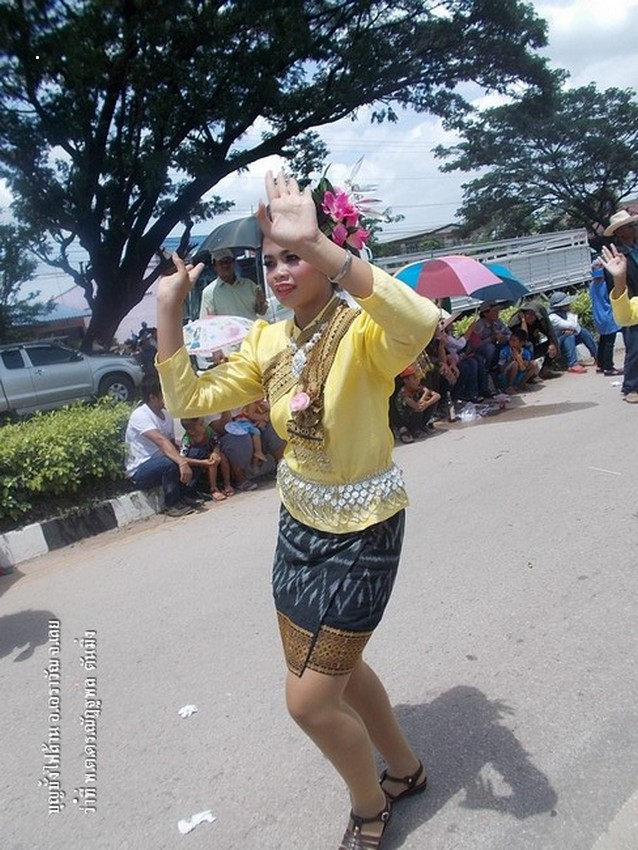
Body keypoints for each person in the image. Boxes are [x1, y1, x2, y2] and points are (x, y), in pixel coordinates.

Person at [155, 171, 439, 850]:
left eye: (294, 256)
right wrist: (168, 309)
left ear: (324, 251)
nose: (281, 270)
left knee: (308, 700)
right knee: (338, 668)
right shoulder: (266, 341)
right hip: (298, 528)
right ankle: (405, 768)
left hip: (365, 531)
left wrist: (317, 242)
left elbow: (420, 321)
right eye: (271, 260)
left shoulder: (365, 329)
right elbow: (189, 400)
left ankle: (370, 805)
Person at [124, 378, 198, 517]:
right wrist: (181, 462)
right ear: (152, 397)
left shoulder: (167, 415)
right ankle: (172, 505)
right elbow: (161, 441)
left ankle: (185, 495)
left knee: (195, 454)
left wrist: (185, 457)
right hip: (141, 469)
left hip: (162, 462)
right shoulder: (140, 415)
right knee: (171, 463)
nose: (167, 398)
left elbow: (171, 444)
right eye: (164, 394)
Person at [601, 210, 638, 402]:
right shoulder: (616, 256)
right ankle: (631, 386)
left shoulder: (635, 249)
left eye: (634, 225)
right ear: (619, 231)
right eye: (630, 226)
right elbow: (615, 285)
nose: (634, 229)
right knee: (635, 347)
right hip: (631, 305)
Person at [199, 248, 268, 321]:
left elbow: (262, 312)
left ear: (234, 263)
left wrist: (261, 303)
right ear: (215, 266)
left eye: (228, 261)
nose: (225, 265)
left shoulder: (250, 285)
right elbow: (207, 322)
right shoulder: (209, 293)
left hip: (251, 328)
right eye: (221, 263)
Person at [180, 417, 235, 501]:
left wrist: (215, 452)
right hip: (198, 460)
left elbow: (217, 442)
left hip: (210, 452)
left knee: (222, 457)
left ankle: (227, 484)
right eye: (201, 424)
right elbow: (182, 458)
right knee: (211, 462)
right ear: (192, 432)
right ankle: (214, 489)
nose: (204, 425)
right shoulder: (187, 440)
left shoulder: (208, 431)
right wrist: (202, 462)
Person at [508, 302, 561, 378]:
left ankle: (545, 369)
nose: (530, 316)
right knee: (529, 345)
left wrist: (552, 344)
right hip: (519, 352)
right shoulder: (516, 324)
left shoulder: (537, 322)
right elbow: (523, 339)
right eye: (527, 314)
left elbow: (549, 333)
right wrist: (523, 321)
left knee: (553, 343)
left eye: (533, 314)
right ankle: (528, 375)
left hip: (532, 351)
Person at [548, 291, 597, 373]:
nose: (569, 304)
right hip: (557, 344)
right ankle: (573, 364)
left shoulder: (566, 313)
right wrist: (571, 315)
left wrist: (570, 315)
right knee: (569, 335)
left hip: (567, 340)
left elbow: (578, 328)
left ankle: (598, 356)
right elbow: (572, 325)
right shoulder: (552, 317)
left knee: (583, 332)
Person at [391, 364, 441, 443]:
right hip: (408, 419)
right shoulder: (403, 393)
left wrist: (426, 401)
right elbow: (417, 407)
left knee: (431, 400)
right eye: (414, 378)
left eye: (418, 377)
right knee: (417, 409)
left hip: (418, 413)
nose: (418, 380)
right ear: (406, 381)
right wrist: (424, 401)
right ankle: (414, 430)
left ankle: (422, 425)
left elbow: (437, 396)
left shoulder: (418, 388)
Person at [589, 258, 622, 376]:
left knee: (603, 340)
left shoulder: (592, 285)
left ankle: (601, 364)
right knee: (609, 343)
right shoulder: (606, 284)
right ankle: (608, 367)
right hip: (608, 316)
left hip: (598, 317)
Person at [470, 301, 511, 370]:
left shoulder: (498, 321)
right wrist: (491, 339)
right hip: (483, 350)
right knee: (490, 348)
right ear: (485, 313)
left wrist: (505, 338)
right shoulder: (479, 325)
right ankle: (487, 369)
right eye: (494, 311)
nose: (497, 312)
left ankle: (502, 366)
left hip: (497, 346)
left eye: (497, 310)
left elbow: (509, 333)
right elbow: (475, 345)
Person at [497, 327, 537, 393]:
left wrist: (524, 363)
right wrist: (510, 360)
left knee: (534, 363)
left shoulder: (526, 353)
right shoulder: (505, 351)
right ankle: (510, 386)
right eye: (510, 340)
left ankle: (521, 384)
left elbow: (524, 368)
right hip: (506, 376)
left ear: (522, 343)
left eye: (514, 341)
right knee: (514, 364)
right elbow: (501, 368)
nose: (511, 343)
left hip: (520, 374)